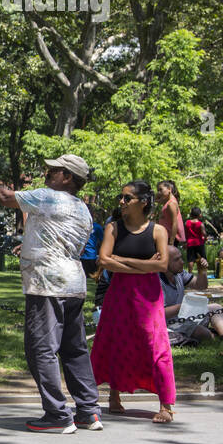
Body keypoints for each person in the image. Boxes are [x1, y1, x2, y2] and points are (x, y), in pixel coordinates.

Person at [0, 154, 101, 434]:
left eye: (53, 170)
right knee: (74, 349)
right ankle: (88, 411)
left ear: (67, 177)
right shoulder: (82, 208)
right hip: (73, 284)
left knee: (41, 348)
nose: (47, 173)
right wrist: (30, 244)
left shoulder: (50, 197)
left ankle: (57, 413)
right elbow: (59, 238)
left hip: (47, 285)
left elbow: (5, 197)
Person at [90, 180, 175, 423]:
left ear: (143, 202)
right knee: (115, 340)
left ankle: (166, 405)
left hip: (148, 296)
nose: (122, 202)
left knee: (155, 346)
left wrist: (124, 262)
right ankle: (113, 397)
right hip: (119, 294)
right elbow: (104, 260)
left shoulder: (158, 230)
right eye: (122, 197)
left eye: (127, 198)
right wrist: (144, 265)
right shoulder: (114, 228)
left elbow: (162, 265)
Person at [161, 246, 223, 344]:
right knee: (204, 333)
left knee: (216, 308)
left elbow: (201, 286)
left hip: (182, 317)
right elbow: (159, 314)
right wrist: (183, 307)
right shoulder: (156, 282)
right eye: (177, 259)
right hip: (168, 324)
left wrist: (202, 271)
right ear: (165, 262)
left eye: (181, 258)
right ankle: (213, 335)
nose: (182, 262)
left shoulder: (179, 274)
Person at [156, 180, 185, 248]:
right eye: (158, 190)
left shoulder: (171, 204)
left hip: (170, 238)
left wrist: (171, 243)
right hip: (167, 236)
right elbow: (156, 200)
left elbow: (175, 223)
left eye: (160, 190)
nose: (159, 192)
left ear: (169, 189)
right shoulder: (167, 202)